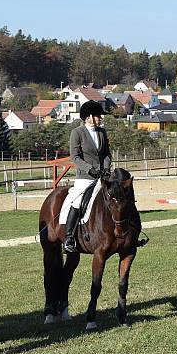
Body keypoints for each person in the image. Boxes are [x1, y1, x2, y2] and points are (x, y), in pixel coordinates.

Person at [64, 100, 112, 252]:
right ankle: (69, 238)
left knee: (117, 198)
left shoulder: (102, 132)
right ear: (89, 117)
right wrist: (90, 169)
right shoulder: (77, 133)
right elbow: (75, 157)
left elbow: (106, 154)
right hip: (85, 176)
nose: (100, 119)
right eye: (98, 116)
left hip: (102, 175)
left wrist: (105, 168)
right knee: (77, 202)